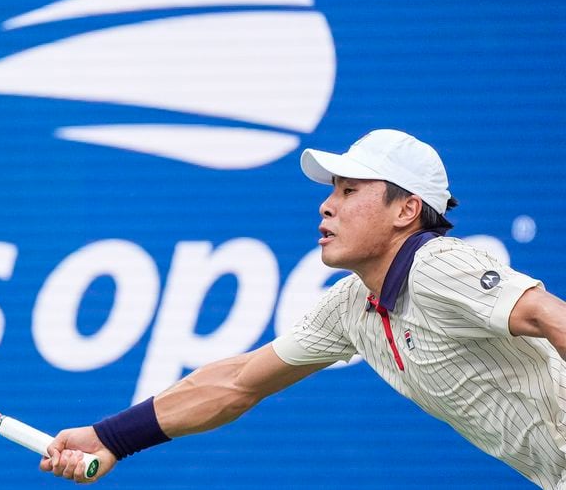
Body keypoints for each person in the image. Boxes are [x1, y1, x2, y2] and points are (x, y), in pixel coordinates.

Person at [41, 129, 566, 489]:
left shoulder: (436, 264)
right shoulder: (350, 308)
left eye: (351, 190)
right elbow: (238, 383)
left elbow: (550, 316)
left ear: (407, 210)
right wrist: (111, 437)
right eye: (332, 190)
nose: (327, 204)